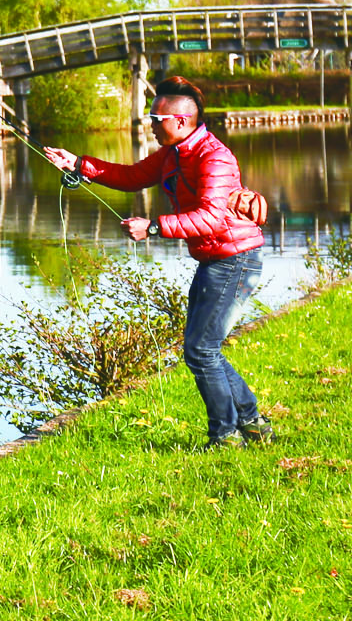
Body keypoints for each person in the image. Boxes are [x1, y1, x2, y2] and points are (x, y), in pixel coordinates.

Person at [42, 75, 269, 449]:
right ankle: (252, 424)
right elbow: (131, 177)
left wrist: (153, 228)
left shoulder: (213, 158)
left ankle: (226, 435)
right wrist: (80, 164)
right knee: (202, 349)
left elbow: (211, 219)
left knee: (201, 350)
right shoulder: (173, 153)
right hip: (216, 259)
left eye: (155, 118)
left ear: (180, 121)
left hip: (236, 261)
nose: (150, 124)